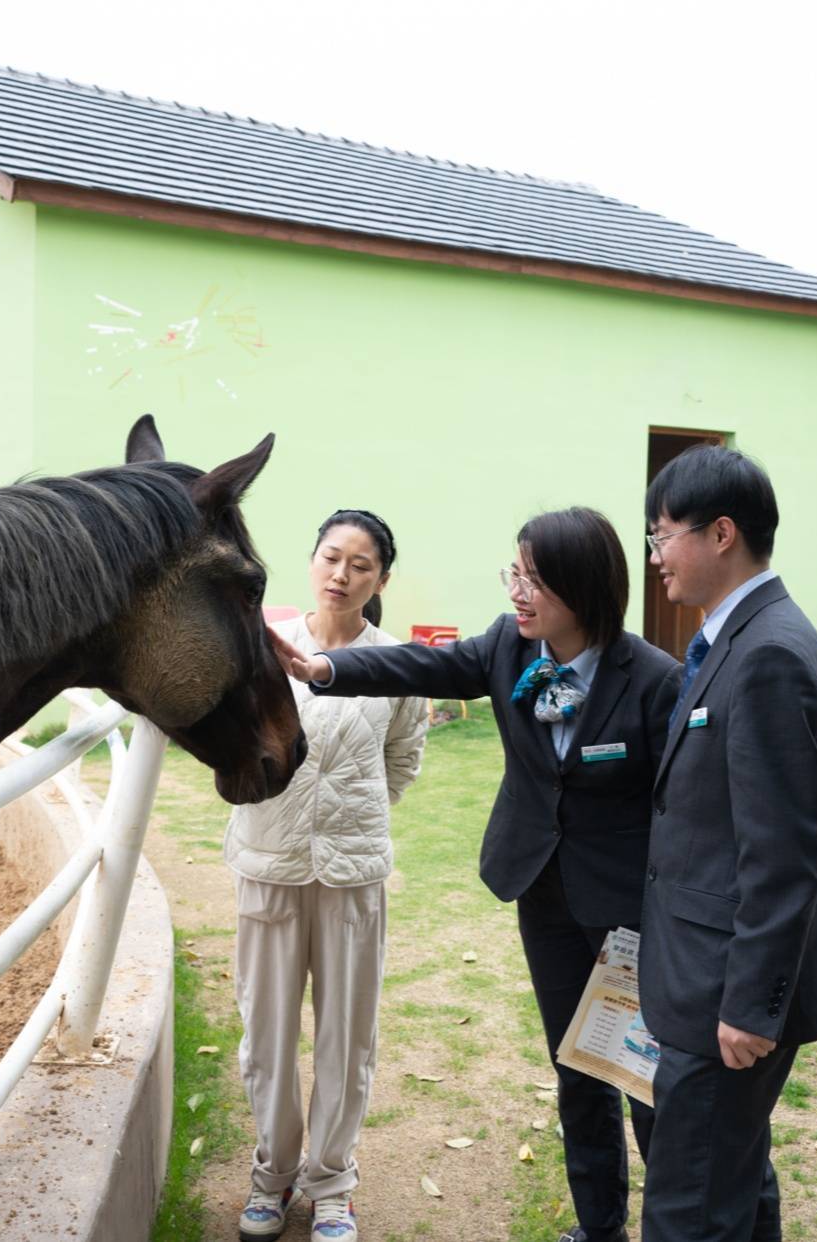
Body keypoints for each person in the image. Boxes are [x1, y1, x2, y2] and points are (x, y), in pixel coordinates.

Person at [275, 507, 677, 1242]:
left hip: (628, 913)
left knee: (642, 1076)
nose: (517, 592)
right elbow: (420, 666)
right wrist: (324, 668)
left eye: (533, 579)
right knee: (577, 1068)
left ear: (583, 587)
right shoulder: (508, 647)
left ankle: (674, 1228)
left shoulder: (653, 681)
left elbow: (680, 809)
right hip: (543, 894)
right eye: (513, 574)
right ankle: (600, 1228)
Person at [639, 446, 817, 1242]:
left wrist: (748, 1006)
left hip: (723, 992)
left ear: (720, 533)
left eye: (662, 535)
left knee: (690, 1207)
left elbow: (785, 851)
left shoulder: (766, 653)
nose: (655, 557)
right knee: (729, 1185)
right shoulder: (738, 637)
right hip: (704, 974)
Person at [230, 509, 428, 1242]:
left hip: (352, 873)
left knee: (347, 1038)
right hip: (269, 861)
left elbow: (401, 759)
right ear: (312, 561)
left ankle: (332, 1182)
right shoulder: (263, 648)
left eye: (361, 565)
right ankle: (272, 1174)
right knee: (267, 1034)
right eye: (331, 557)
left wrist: (349, 816)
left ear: (381, 580)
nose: (342, 575)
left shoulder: (398, 664)